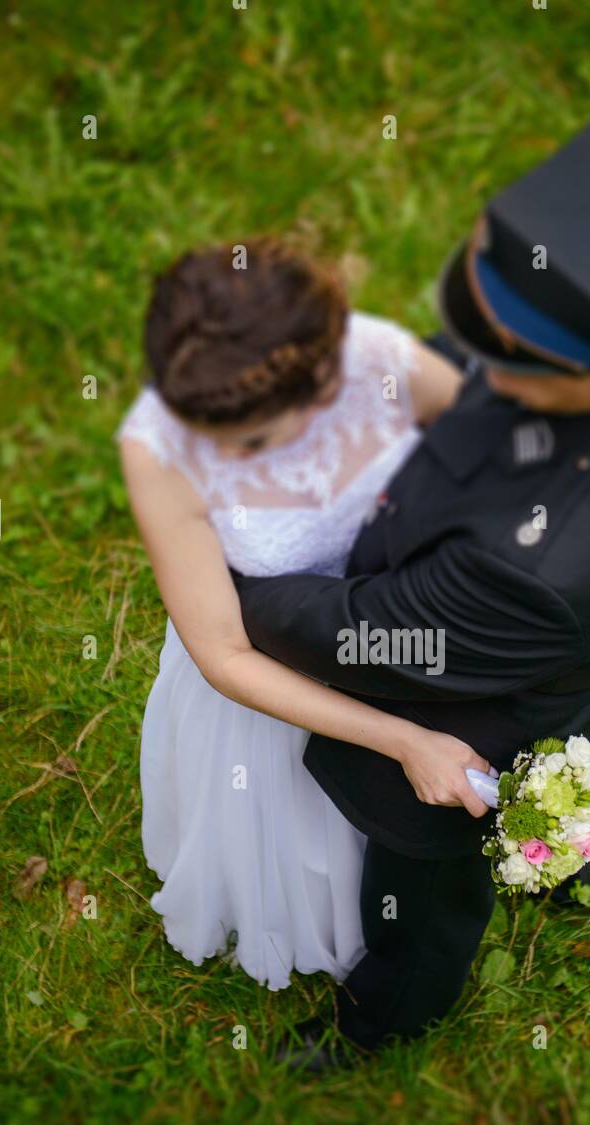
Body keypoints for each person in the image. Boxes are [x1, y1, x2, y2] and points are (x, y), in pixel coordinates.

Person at [228, 119, 590, 1071]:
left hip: (469, 718)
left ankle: (386, 1020)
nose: (466, 357)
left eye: (503, 353)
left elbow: (362, 635)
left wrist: (223, 572)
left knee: (423, 891)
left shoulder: (540, 570)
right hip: (563, 644)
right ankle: (555, 852)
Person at [118, 237, 495, 992]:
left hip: (410, 618)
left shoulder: (380, 358)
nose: (239, 456)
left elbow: (498, 463)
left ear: (324, 371)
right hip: (272, 677)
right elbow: (224, 655)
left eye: (256, 439)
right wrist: (405, 740)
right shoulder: (157, 449)